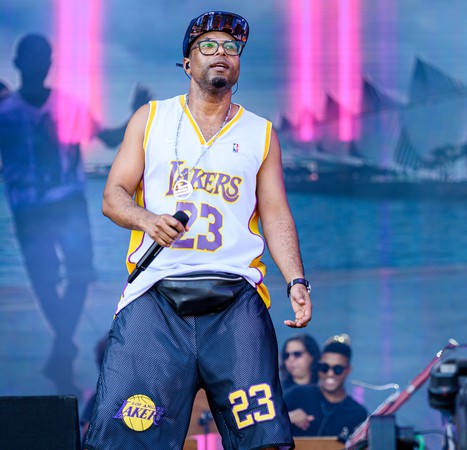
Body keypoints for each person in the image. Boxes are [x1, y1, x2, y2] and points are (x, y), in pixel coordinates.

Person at [83, 11, 312, 450]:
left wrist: (296, 280)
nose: (220, 53)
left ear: (239, 63)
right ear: (188, 63)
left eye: (230, 47)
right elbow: (113, 196)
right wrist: (147, 219)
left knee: (262, 440)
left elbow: (277, 213)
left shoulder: (261, 133)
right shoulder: (151, 119)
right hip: (157, 295)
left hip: (235, 300)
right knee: (124, 437)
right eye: (208, 45)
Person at [0, 34, 150, 394]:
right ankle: (63, 349)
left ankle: (62, 348)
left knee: (80, 273)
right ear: (19, 64)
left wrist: (135, 112)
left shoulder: (66, 106)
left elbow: (111, 139)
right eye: (33, 59)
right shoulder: (5, 112)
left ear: (50, 64)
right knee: (44, 280)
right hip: (28, 208)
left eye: (44, 59)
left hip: (67, 202)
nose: (39, 66)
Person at [284, 334, 368, 442]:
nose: (330, 374)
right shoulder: (297, 395)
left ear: (348, 370)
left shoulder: (357, 412)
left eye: (337, 369)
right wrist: (287, 417)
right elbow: (262, 426)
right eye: (324, 368)